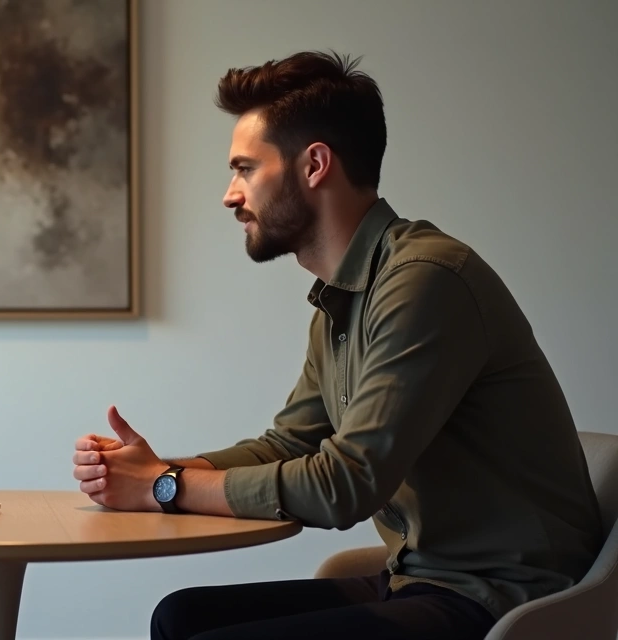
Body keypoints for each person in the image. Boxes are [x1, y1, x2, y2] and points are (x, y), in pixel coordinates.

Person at [71, 50, 604, 640]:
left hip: (504, 598)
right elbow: (289, 443)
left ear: (314, 165)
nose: (230, 194)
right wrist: (157, 470)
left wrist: (163, 488)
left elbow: (344, 484)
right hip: (418, 579)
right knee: (180, 616)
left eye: (245, 168)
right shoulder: (342, 299)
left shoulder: (426, 279)